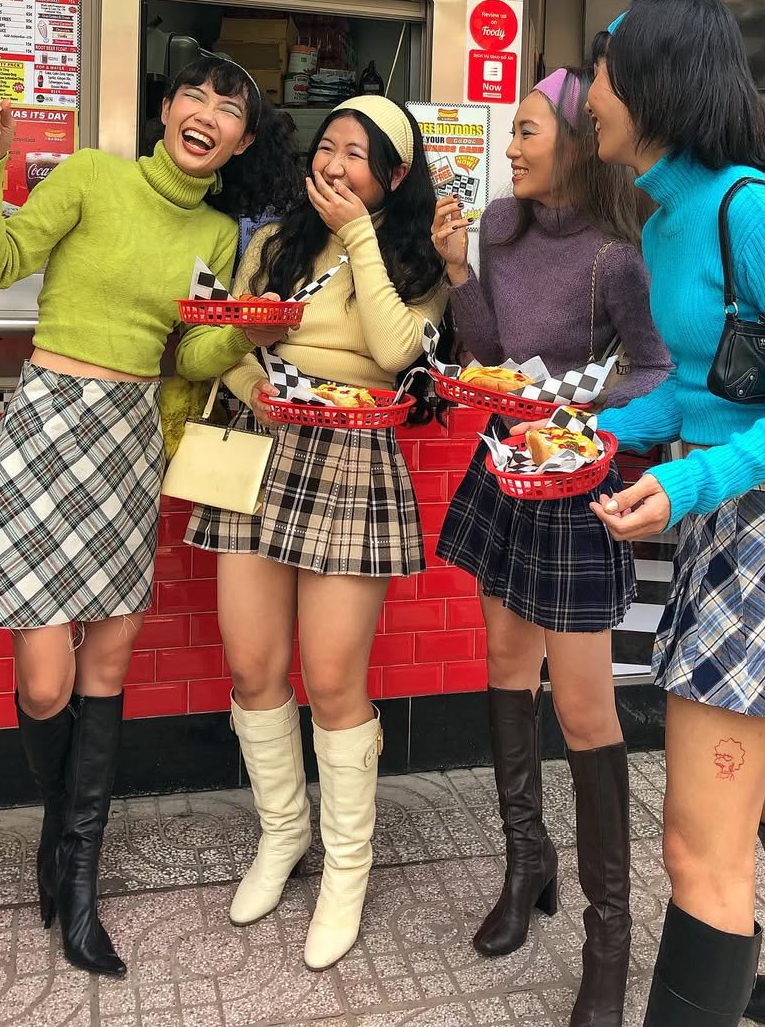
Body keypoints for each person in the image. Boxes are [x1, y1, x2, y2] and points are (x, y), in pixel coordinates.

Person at [0, 56, 299, 979]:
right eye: (197, 95)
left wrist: (252, 329)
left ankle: (78, 878)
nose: (209, 114)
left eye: (231, 108)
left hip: (129, 439)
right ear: (167, 107)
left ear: (242, 142)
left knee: (106, 667)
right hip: (45, 426)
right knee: (45, 685)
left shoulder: (219, 233)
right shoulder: (88, 177)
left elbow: (193, 354)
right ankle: (58, 833)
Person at [588, 0, 765, 1026]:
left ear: (656, 80)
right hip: (722, 515)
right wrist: (599, 428)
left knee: (698, 852)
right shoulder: (669, 218)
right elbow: (700, 389)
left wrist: (691, 481)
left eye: (603, 73)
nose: (589, 97)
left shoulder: (753, 212)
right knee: (764, 782)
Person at [185, 96, 447, 971]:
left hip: (352, 458)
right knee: (253, 666)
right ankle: (283, 832)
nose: (333, 164)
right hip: (259, 449)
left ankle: (346, 869)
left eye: (356, 154)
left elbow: (397, 352)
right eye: (326, 146)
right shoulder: (273, 244)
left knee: (333, 680)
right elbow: (230, 338)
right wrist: (250, 384)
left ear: (394, 177)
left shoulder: (420, 258)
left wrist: (360, 238)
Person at [431, 67, 670, 1023]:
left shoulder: (618, 256)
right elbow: (488, 354)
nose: (512, 147)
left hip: (573, 481)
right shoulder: (499, 227)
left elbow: (655, 367)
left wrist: (580, 406)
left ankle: (608, 939)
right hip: (504, 467)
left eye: (528, 131)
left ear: (576, 142)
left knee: (582, 708)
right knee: (503, 664)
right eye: (514, 131)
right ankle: (526, 861)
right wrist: (458, 272)